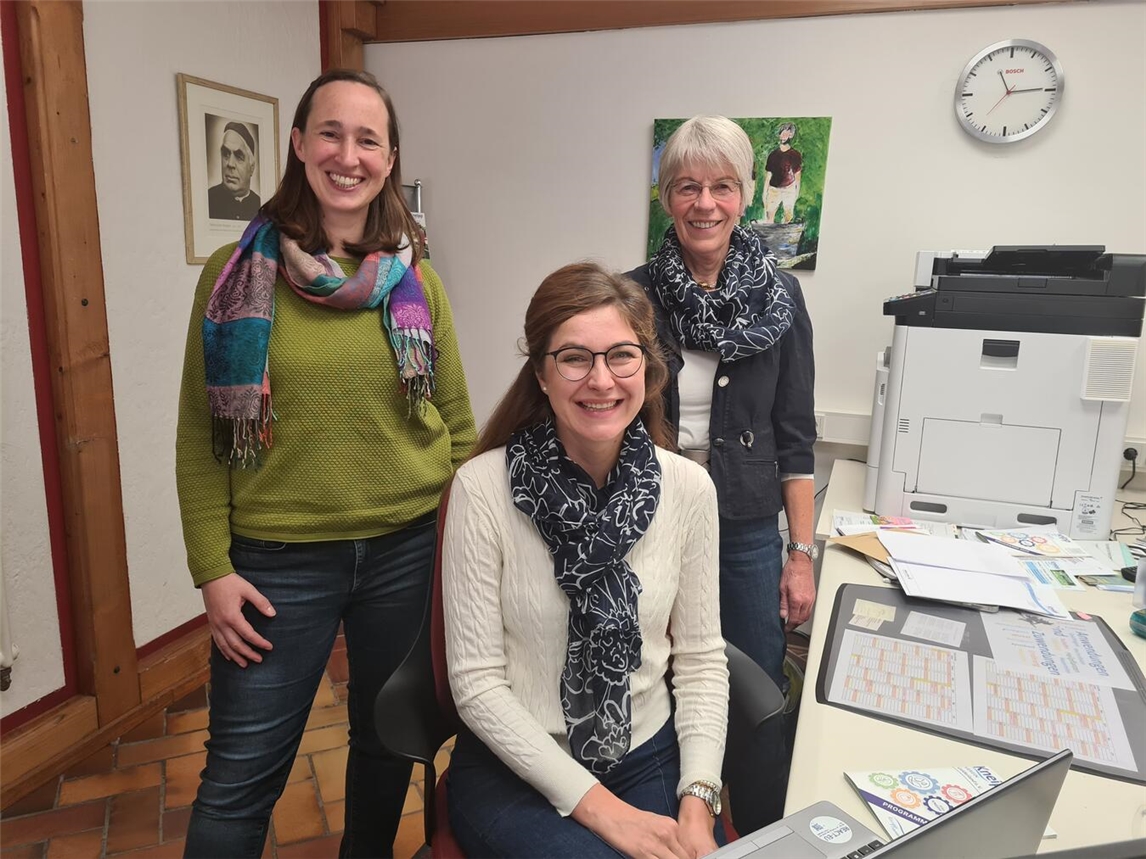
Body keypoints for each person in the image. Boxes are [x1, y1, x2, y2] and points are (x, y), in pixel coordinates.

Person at [176, 69, 476, 858]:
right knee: (239, 776)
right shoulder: (235, 275)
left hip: (409, 550)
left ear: (389, 159)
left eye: (368, 139)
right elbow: (201, 436)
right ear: (300, 145)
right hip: (276, 565)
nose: (349, 155)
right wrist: (212, 568)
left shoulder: (417, 282)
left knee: (387, 742)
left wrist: (469, 547)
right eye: (331, 134)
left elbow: (458, 427)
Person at [442, 262, 730, 859]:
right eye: (574, 358)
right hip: (513, 766)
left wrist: (699, 801)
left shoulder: (689, 489)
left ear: (647, 368)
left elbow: (701, 661)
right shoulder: (482, 488)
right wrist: (604, 812)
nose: (601, 380)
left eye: (621, 355)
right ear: (541, 374)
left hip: (646, 752)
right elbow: (476, 685)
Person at [628, 115, 816, 830]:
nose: (704, 203)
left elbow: (795, 434)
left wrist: (800, 554)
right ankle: (670, 817)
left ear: (744, 195)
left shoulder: (782, 297)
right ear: (666, 198)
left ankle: (762, 829)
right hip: (646, 520)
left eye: (721, 186)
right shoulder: (631, 297)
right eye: (686, 186)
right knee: (652, 674)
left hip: (744, 526)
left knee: (757, 681)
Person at [207, 120, 261, 220]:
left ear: (252, 167)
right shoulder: (208, 198)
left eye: (239, 156)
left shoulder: (261, 206)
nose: (230, 164)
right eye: (226, 154)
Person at [762, 122, 802, 225]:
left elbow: (797, 175)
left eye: (786, 133)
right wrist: (764, 192)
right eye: (782, 133)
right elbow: (768, 175)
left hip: (789, 188)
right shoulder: (773, 155)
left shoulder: (795, 155)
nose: (783, 136)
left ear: (791, 135)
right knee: (769, 216)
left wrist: (797, 192)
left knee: (788, 217)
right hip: (773, 189)